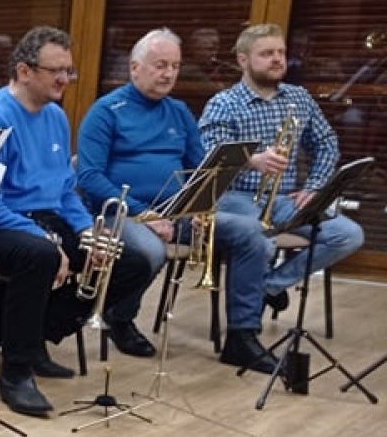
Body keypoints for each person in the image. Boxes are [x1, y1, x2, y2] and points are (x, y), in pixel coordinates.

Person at [0, 26, 155, 417]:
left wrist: (85, 230)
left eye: (68, 70)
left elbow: (64, 189)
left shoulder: (55, 116)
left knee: (130, 261)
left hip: (43, 219)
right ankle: (15, 374)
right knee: (41, 256)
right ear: (24, 71)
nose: (65, 79)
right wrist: (46, 239)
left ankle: (36, 336)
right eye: (56, 71)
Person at [76, 29, 277, 370]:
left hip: (177, 212)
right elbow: (89, 177)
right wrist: (146, 214)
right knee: (151, 251)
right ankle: (119, 318)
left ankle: (242, 336)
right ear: (135, 67)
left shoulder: (179, 111)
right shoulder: (106, 111)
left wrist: (201, 204)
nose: (168, 73)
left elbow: (200, 168)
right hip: (123, 213)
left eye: (175, 66)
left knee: (249, 232)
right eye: (160, 65)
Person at [198, 23, 364, 324]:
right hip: (235, 199)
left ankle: (267, 287)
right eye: (266, 54)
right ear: (243, 60)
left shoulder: (298, 98)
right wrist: (252, 160)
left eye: (280, 52)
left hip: (284, 199)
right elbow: (210, 155)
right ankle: (245, 322)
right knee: (260, 243)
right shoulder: (223, 104)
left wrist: (314, 186)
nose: (277, 59)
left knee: (348, 235)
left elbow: (326, 142)